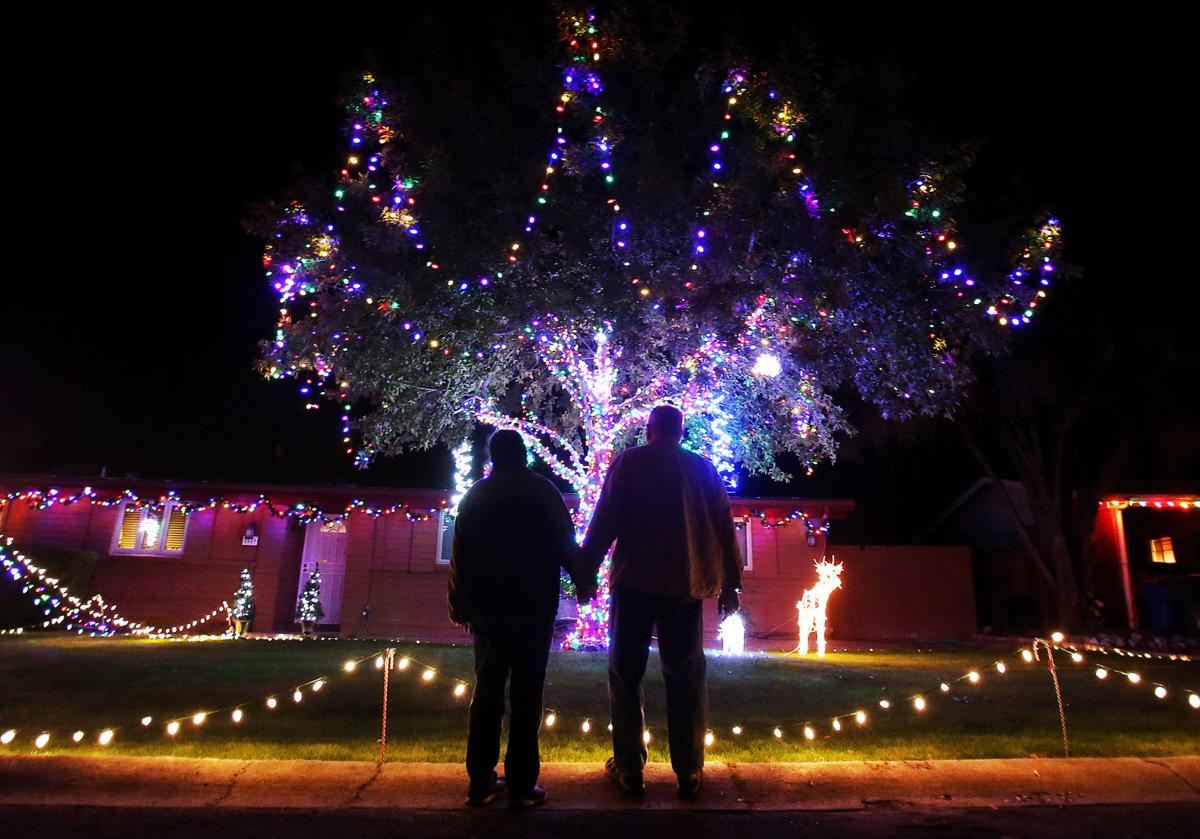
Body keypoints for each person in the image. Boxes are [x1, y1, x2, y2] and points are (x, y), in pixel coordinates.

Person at [575, 404, 742, 798]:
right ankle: (689, 771)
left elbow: (605, 519)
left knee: (625, 674)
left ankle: (630, 768)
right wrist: (731, 584)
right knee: (685, 677)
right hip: (685, 585)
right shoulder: (702, 468)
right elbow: (724, 527)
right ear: (680, 432)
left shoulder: (630, 462)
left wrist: (586, 570)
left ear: (650, 430)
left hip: (634, 583)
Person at [447, 429, 577, 810]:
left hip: (487, 608)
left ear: (493, 457)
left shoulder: (477, 496)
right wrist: (583, 579)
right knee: (526, 694)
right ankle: (521, 783)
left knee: (487, 692)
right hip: (533, 607)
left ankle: (481, 780)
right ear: (523, 455)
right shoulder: (543, 492)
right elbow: (564, 542)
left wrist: (459, 604)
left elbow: (461, 555)